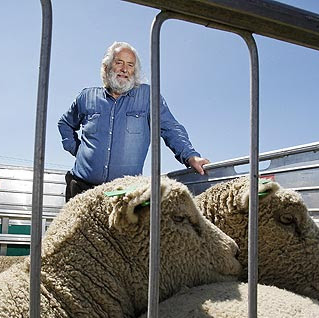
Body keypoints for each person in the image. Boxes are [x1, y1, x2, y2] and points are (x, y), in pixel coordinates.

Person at [58, 41, 210, 202]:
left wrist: (191, 156)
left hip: (124, 194)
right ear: (107, 67)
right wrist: (78, 150)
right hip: (81, 189)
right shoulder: (86, 97)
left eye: (130, 65)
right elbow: (65, 124)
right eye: (119, 62)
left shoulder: (148, 97)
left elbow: (170, 128)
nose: (125, 69)